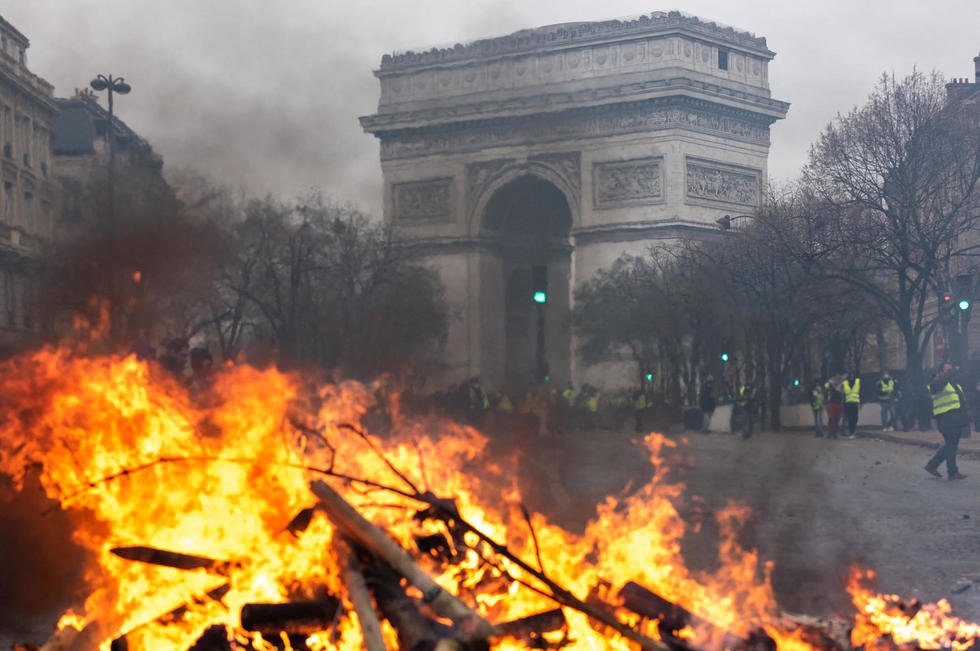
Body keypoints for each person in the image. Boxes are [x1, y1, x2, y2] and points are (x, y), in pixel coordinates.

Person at [924, 364, 969, 480]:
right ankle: (945, 469)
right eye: (948, 370)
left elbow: (961, 403)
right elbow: (939, 385)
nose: (951, 372)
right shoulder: (935, 383)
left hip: (956, 420)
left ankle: (941, 467)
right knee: (951, 446)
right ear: (940, 372)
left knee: (951, 446)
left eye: (952, 370)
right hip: (946, 420)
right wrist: (952, 372)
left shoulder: (954, 385)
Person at [824, 373, 845, 439]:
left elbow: (844, 392)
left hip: (839, 402)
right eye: (837, 374)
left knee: (837, 419)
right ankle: (830, 432)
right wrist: (825, 400)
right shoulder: (830, 382)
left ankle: (834, 433)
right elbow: (826, 390)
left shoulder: (843, 382)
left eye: (840, 374)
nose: (839, 375)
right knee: (831, 418)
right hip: (831, 402)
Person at [842, 372, 861, 438]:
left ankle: (853, 431)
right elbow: (841, 393)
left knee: (855, 418)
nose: (852, 376)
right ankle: (851, 432)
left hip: (855, 403)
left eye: (853, 375)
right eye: (850, 375)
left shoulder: (857, 382)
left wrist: (861, 403)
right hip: (848, 404)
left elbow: (861, 392)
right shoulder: (845, 383)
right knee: (850, 418)